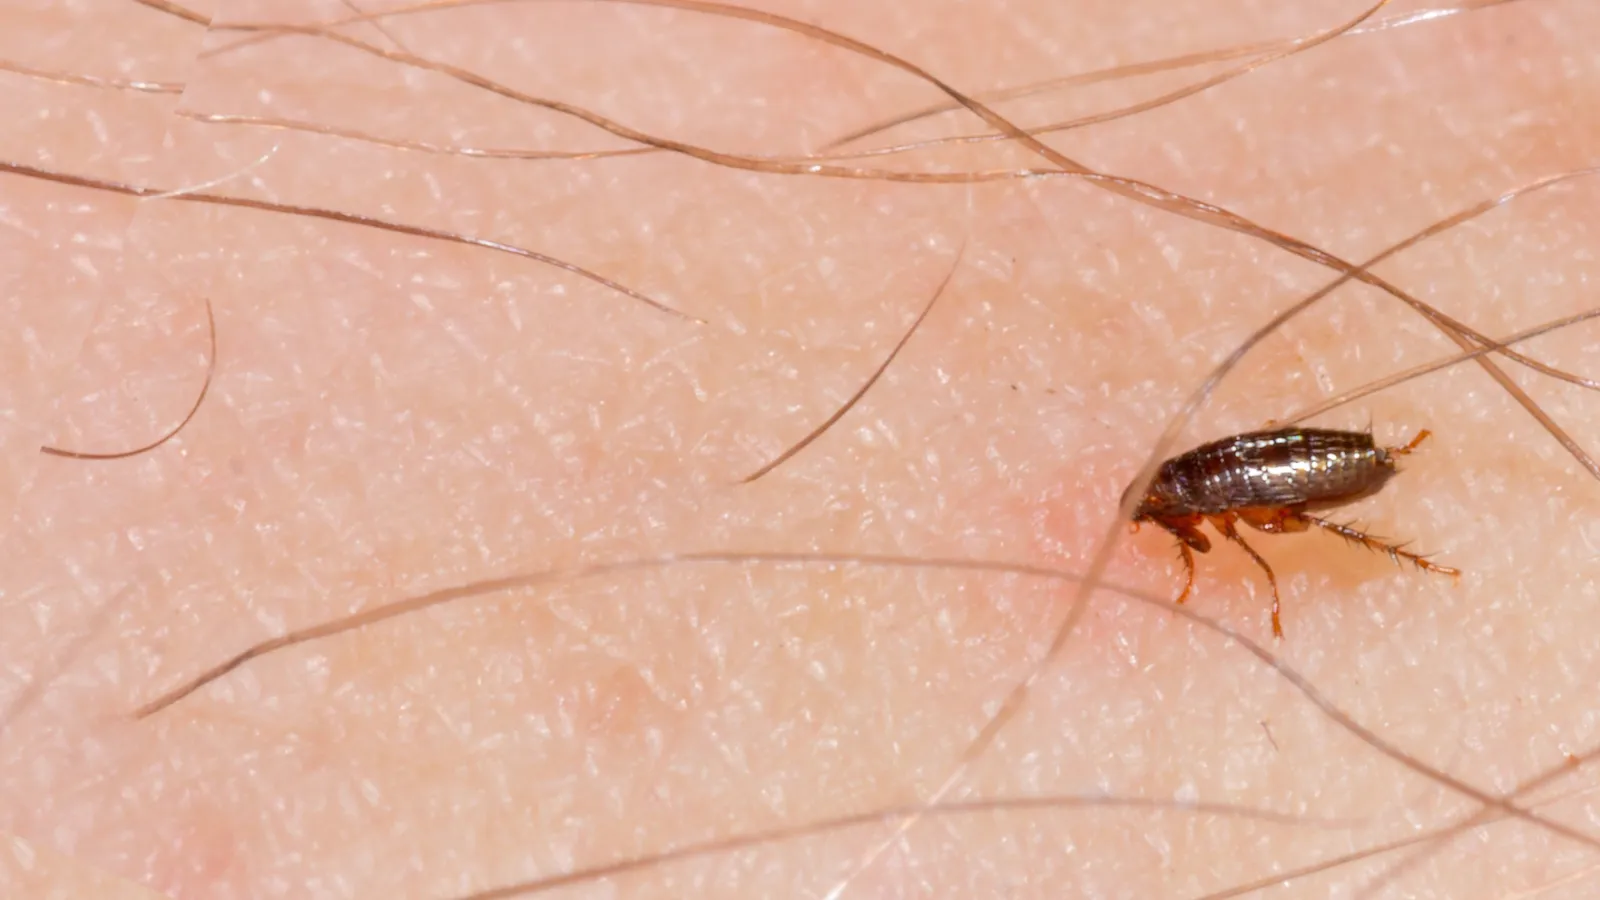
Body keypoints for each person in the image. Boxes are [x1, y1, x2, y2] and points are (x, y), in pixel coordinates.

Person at [5, 1, 1597, 896]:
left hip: (1321, 460)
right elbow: (1234, 480)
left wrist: (1255, 533)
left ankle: (1406, 515)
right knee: (1295, 522)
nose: (1164, 532)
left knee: (1304, 537)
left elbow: (1245, 498)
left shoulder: (1213, 504)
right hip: (1310, 452)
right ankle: (1399, 495)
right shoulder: (1199, 489)